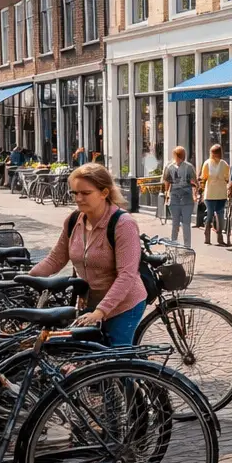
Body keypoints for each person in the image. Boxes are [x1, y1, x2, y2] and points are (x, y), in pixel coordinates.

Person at [30, 164, 146, 346]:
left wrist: (101, 311)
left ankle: (140, 375)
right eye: (74, 193)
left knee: (116, 362)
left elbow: (127, 275)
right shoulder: (74, 220)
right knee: (88, 360)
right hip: (91, 304)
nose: (78, 198)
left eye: (85, 193)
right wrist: (27, 278)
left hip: (124, 304)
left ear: (104, 193)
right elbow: (56, 259)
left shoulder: (123, 224)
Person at [163, 146, 196, 248]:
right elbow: (194, 182)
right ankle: (183, 246)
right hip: (182, 198)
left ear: (175, 155)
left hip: (179, 198)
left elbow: (167, 182)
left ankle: (177, 245)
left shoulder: (170, 167)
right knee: (182, 223)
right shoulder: (188, 167)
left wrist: (166, 194)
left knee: (178, 223)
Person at [199, 144, 231, 247]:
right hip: (211, 194)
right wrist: (202, 189)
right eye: (214, 152)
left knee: (218, 215)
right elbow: (204, 178)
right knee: (211, 215)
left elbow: (204, 178)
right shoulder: (208, 163)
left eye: (215, 152)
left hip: (219, 193)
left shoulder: (223, 164)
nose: (215, 155)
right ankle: (208, 236)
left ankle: (218, 237)